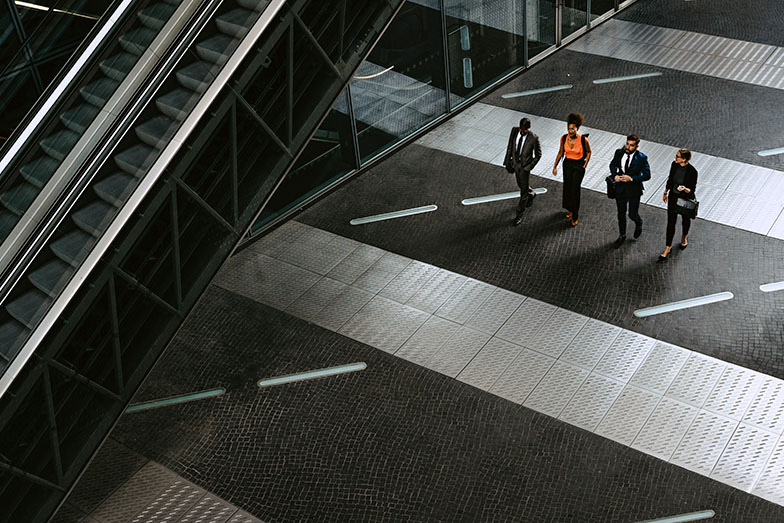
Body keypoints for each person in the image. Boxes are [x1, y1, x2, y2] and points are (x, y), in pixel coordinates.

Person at [609, 134, 651, 248]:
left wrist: (631, 178)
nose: (628, 147)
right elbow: (612, 165)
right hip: (620, 189)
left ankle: (638, 222)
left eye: (631, 145)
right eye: (627, 144)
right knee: (621, 213)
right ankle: (622, 235)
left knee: (632, 214)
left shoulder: (642, 158)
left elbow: (647, 175)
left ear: (636, 147)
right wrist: (615, 176)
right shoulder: (619, 152)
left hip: (634, 190)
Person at [552, 113, 591, 226]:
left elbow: (589, 152)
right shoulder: (564, 138)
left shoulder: (583, 140)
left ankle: (575, 215)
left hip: (578, 165)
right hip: (567, 164)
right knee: (568, 188)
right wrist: (555, 166)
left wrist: (585, 164)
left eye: (573, 129)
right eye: (569, 129)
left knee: (575, 189)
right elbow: (560, 152)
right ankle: (570, 209)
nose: (570, 131)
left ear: (577, 128)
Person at [658, 149, 698, 261]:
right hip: (673, 197)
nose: (675, 158)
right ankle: (668, 247)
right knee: (671, 222)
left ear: (684, 159)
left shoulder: (692, 171)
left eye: (677, 156)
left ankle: (684, 237)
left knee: (685, 220)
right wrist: (665, 192)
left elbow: (692, 190)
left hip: (685, 198)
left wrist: (685, 189)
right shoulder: (674, 165)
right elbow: (670, 179)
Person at [504, 117, 542, 226]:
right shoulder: (514, 131)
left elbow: (538, 155)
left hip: (524, 168)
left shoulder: (534, 138)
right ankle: (531, 194)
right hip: (515, 164)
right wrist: (508, 161)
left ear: (528, 129)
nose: (522, 131)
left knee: (523, 192)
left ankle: (519, 214)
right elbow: (510, 146)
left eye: (525, 130)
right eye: (521, 129)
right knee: (521, 185)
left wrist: (529, 167)